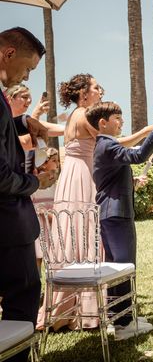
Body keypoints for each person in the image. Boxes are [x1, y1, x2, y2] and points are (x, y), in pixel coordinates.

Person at [37, 74, 153, 330]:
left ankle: (85, 304)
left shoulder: (75, 115)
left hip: (76, 173)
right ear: (83, 93)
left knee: (80, 233)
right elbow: (113, 143)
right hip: (81, 174)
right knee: (87, 234)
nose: (100, 91)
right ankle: (87, 309)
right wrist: (146, 133)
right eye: (95, 87)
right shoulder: (83, 115)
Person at [87, 102, 153, 340]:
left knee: (116, 268)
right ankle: (123, 325)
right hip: (117, 214)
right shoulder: (108, 144)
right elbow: (139, 155)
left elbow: (112, 176)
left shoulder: (102, 145)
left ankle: (119, 317)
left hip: (108, 213)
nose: (121, 122)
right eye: (118, 119)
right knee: (124, 268)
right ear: (103, 122)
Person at [0, 27, 55, 362]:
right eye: (28, 68)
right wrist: (38, 181)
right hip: (7, 225)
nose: (26, 76)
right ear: (8, 54)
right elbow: (2, 177)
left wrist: (23, 123)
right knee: (22, 301)